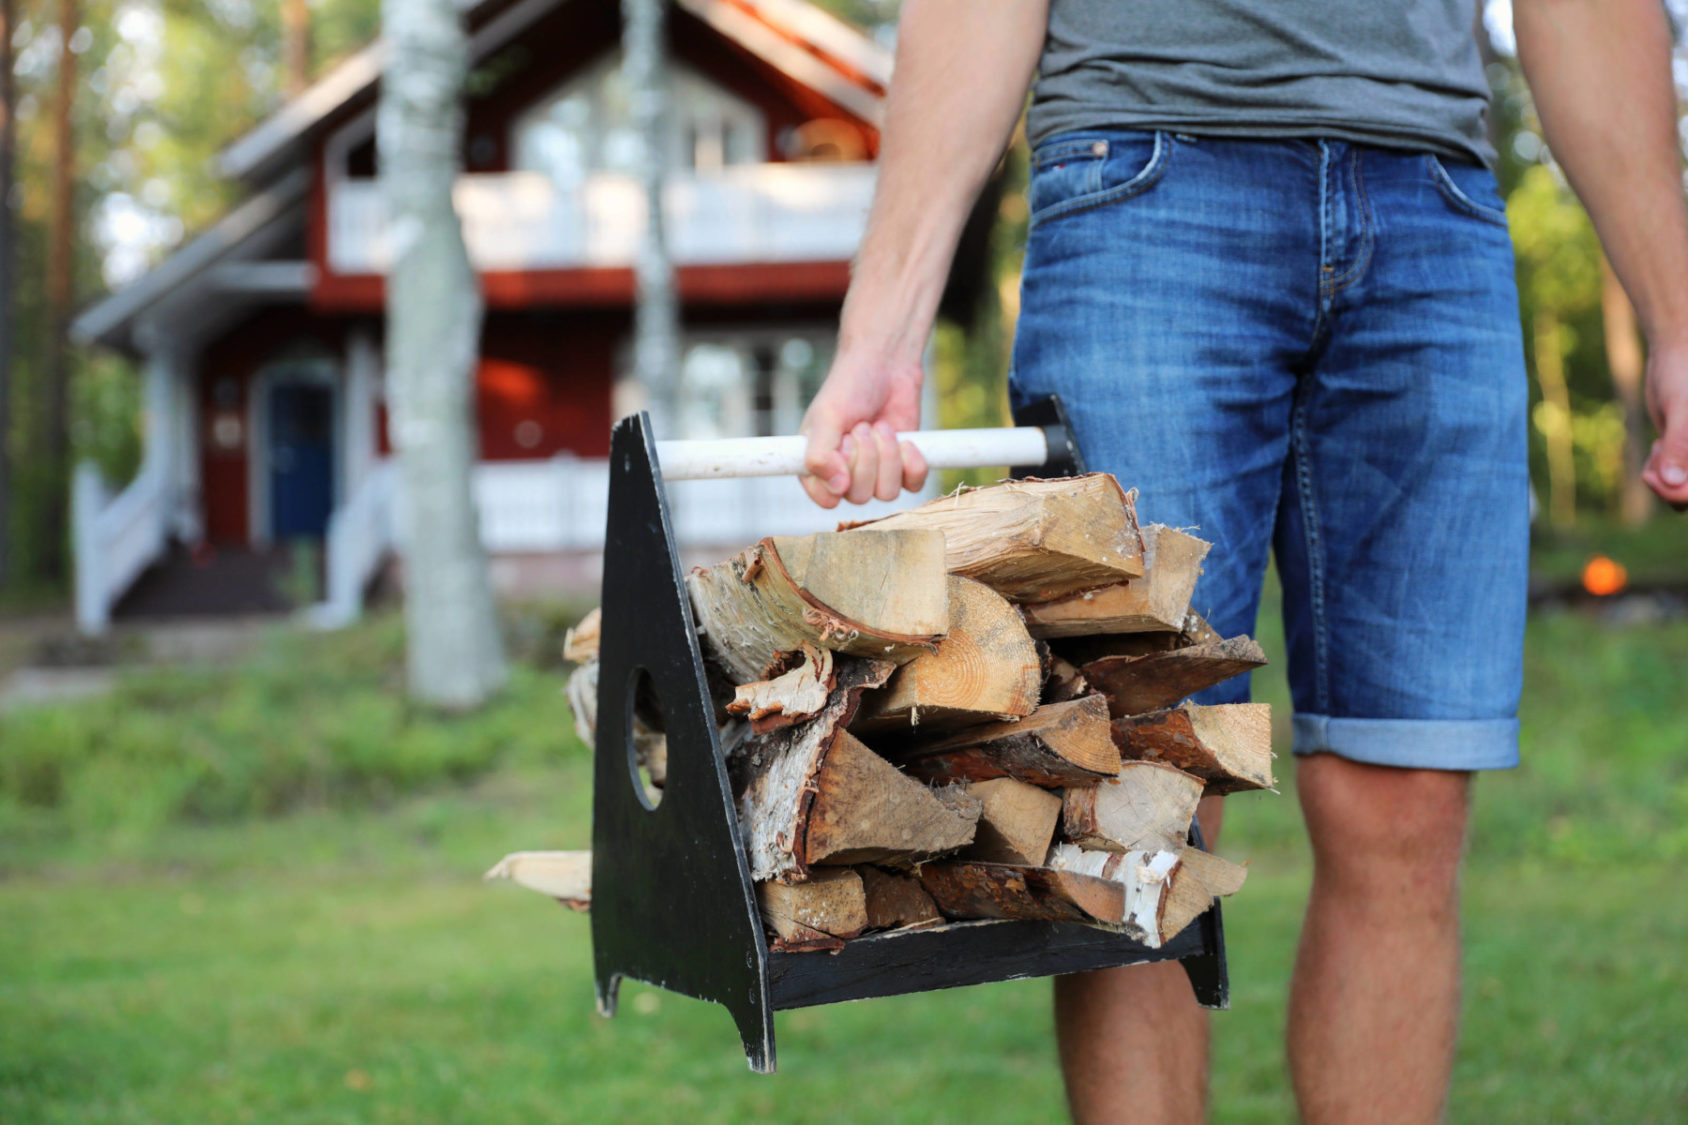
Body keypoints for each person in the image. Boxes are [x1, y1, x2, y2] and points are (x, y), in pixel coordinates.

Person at [797, 1, 1688, 1121]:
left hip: (1436, 206)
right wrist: (881, 331)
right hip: (1147, 181)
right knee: (1134, 815)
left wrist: (1675, 311)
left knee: (1405, 807)